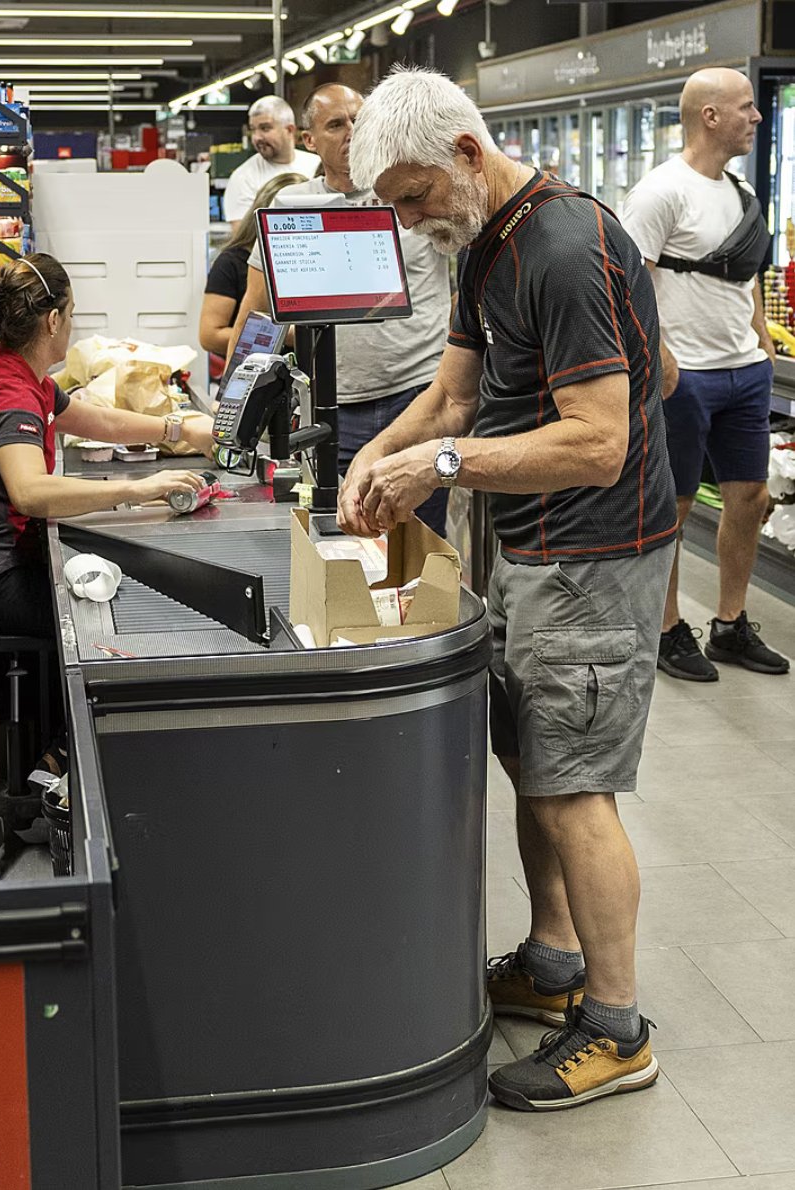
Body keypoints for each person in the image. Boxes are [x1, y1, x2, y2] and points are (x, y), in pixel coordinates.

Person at [339, 67, 678, 1111]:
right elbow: (455, 394)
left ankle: (616, 1028)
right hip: (522, 545)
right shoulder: (479, 243)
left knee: (574, 781)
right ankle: (550, 957)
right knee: (532, 754)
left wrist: (437, 471)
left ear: (466, 155)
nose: (406, 219)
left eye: (411, 195)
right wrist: (377, 458)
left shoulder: (563, 248)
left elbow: (598, 438)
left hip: (591, 553)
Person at [0, 254, 215, 643]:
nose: (72, 325)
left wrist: (181, 429)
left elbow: (102, 422)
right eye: (71, 313)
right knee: (125, 607)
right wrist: (140, 488)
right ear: (53, 321)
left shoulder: (25, 378)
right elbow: (31, 493)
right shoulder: (10, 395)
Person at [227, 82, 453, 536]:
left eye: (359, 119)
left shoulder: (411, 189)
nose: (352, 131)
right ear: (309, 139)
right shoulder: (290, 206)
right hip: (333, 409)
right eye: (336, 124)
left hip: (416, 396)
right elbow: (255, 313)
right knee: (343, 536)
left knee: (417, 542)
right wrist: (233, 398)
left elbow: (468, 289)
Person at [622, 68, 789, 680]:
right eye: (747, 107)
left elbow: (740, 278)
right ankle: (667, 629)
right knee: (675, 505)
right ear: (710, 116)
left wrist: (761, 335)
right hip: (683, 374)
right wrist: (659, 357)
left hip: (744, 370)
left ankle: (730, 623)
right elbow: (627, 282)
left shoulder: (742, 191)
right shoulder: (660, 191)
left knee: (752, 497)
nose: (758, 117)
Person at [199, 171, 306, 358]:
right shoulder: (231, 263)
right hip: (255, 370)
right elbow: (210, 335)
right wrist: (281, 336)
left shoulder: (305, 263)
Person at [222, 96, 319, 226]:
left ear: (289, 130)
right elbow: (242, 240)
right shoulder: (243, 177)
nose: (256, 137)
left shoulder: (317, 165)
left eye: (265, 128)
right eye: (253, 129)